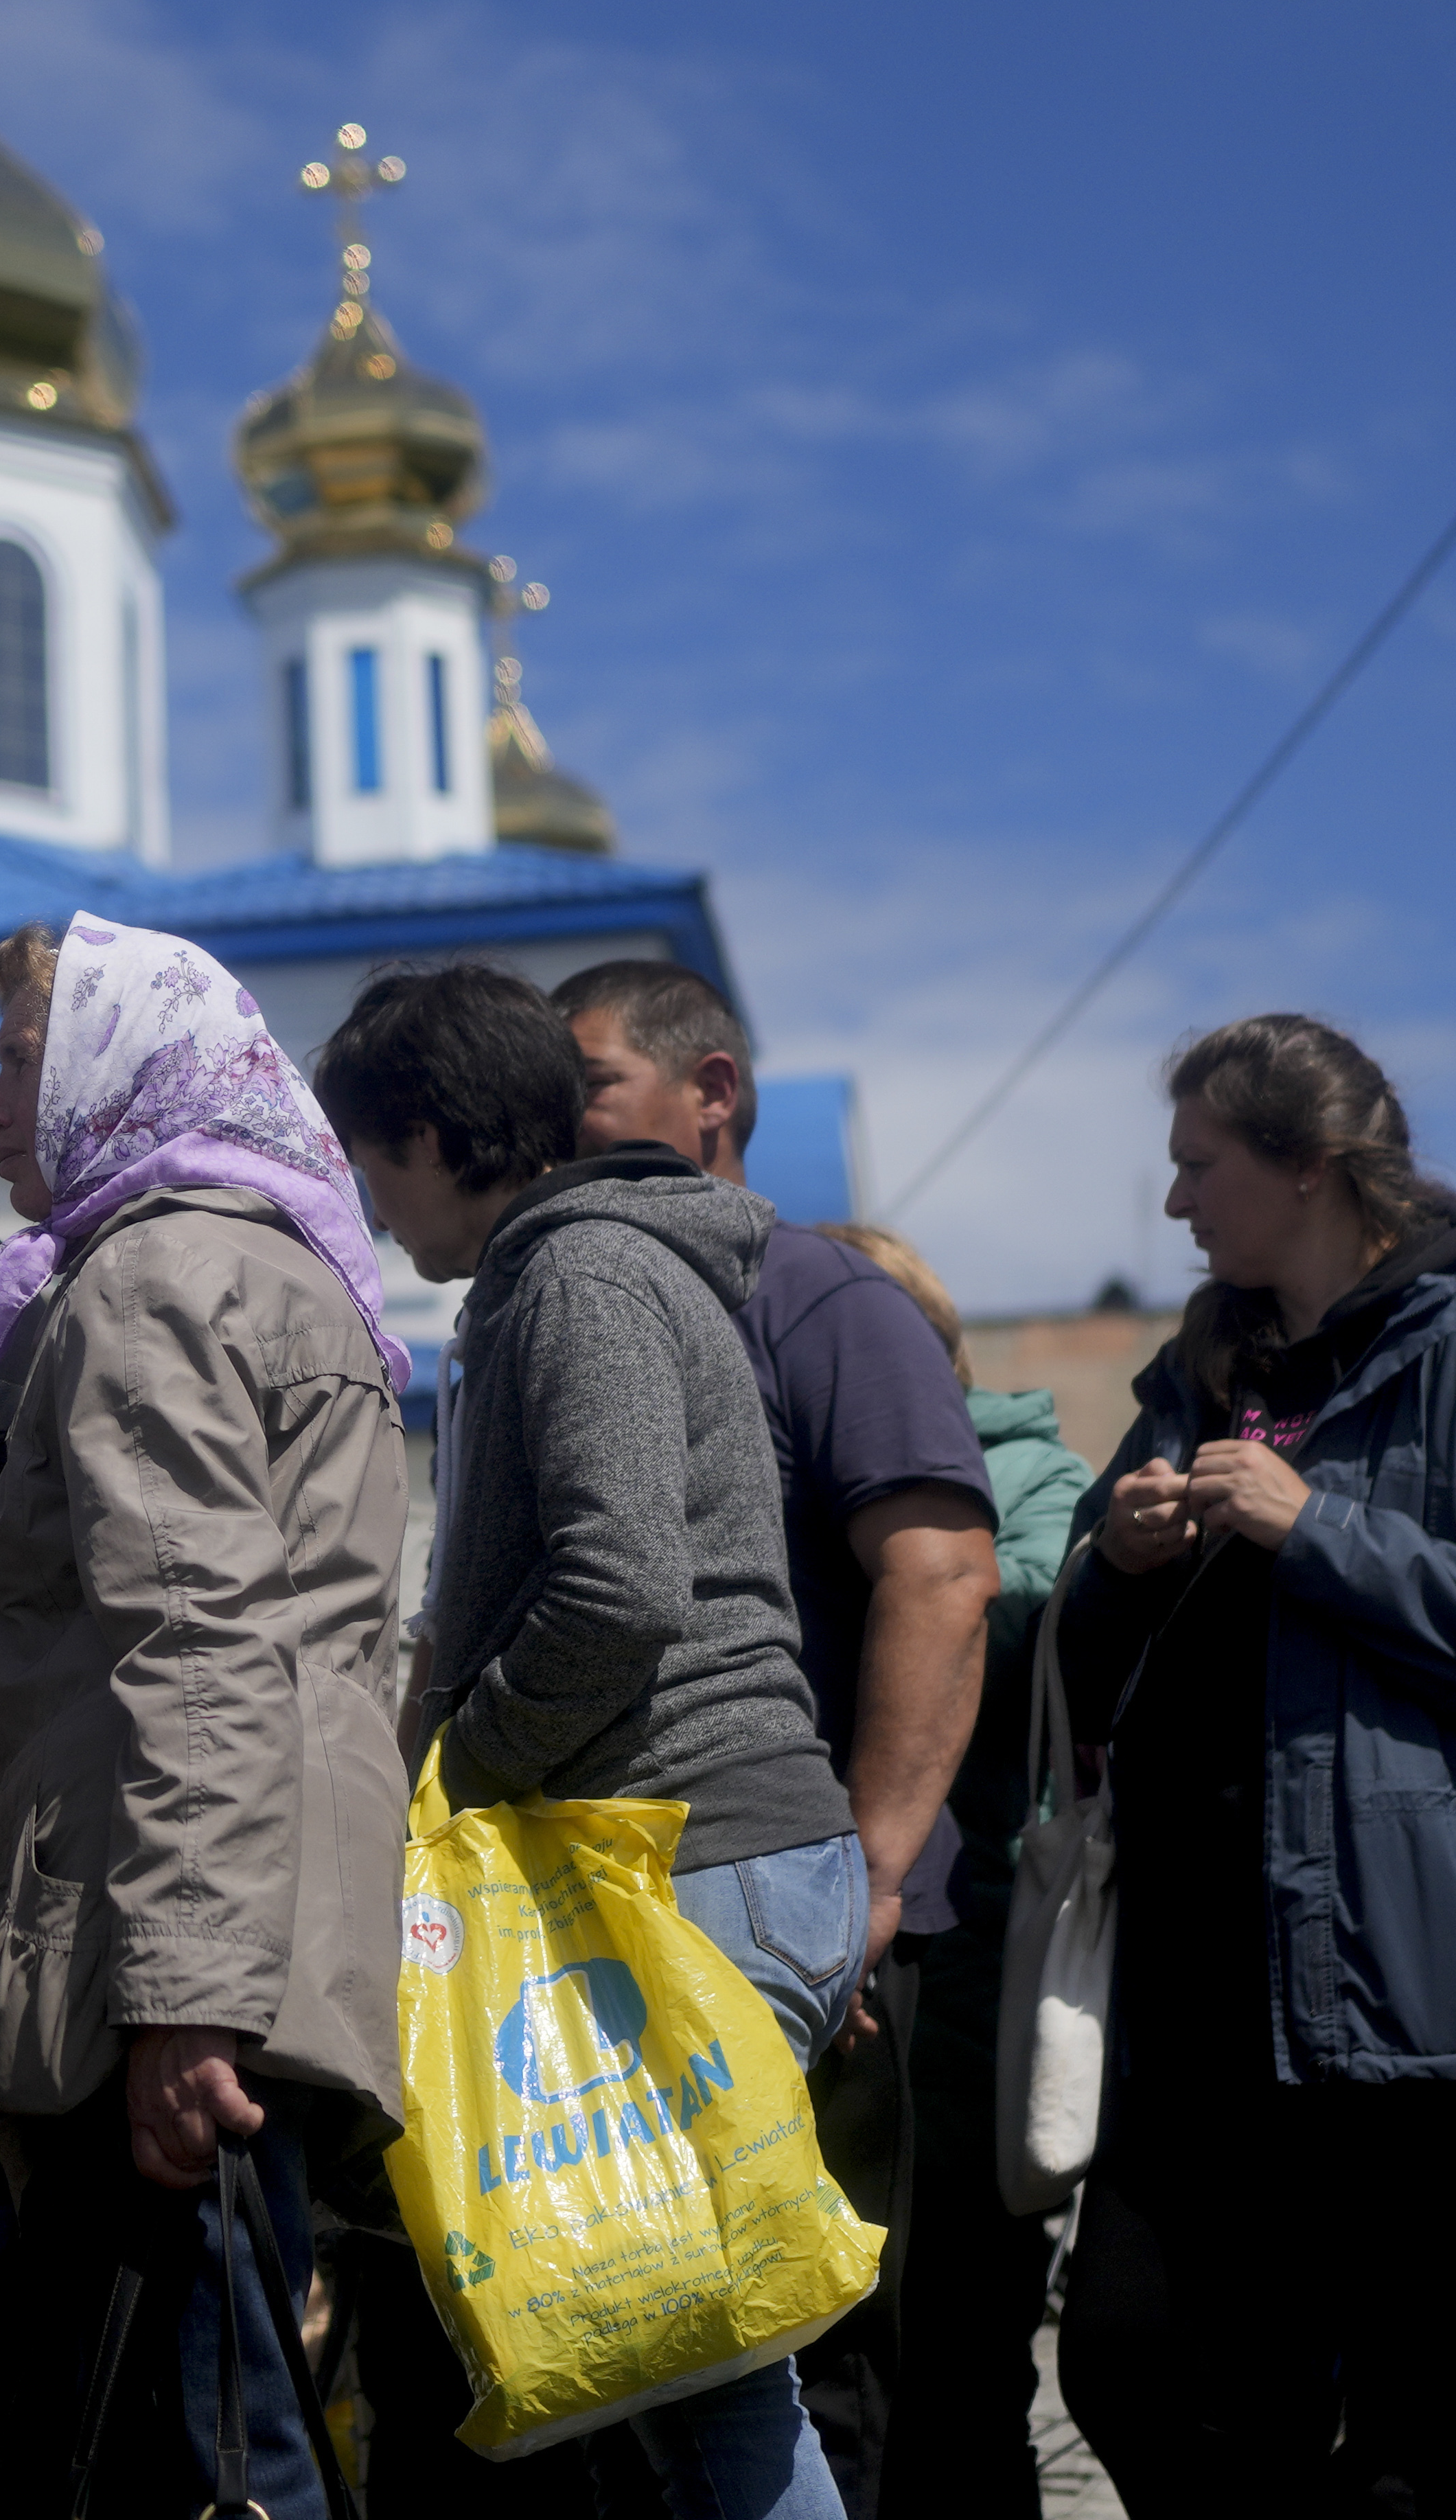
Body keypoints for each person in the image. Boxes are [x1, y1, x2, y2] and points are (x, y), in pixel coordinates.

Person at [1048, 1013, 1456, 2520]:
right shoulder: (1197, 1374)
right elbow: (1082, 1657)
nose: (1174, 1204)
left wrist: (1321, 1531)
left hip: (1416, 1985)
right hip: (1203, 1987)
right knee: (1132, 2360)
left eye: (1198, 1165)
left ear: (1305, 1167)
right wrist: (1111, 1564)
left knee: (1443, 2431)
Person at [318, 959, 858, 2520]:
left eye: (373, 1162)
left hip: (678, 1851)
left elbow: (619, 1585)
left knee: (695, 2376)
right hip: (688, 1851)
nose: (371, 1202)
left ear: (431, 1130)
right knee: (668, 2365)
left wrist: (460, 1770)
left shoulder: (579, 1275)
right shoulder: (588, 1266)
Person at [0, 915, 405, 2520]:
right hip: (277, 1945)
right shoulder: (296, 1267)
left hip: (170, 1978)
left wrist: (182, 2000)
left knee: (178, 2456)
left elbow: (195, 1635)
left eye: (19, 1064)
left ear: (109, 1067)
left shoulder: (147, 1277)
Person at [550, 966, 991, 2520]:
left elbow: (940, 1573)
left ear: (711, 1094)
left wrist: (860, 1886)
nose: (555, 1124)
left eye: (589, 1083)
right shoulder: (595, 1290)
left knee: (833, 2382)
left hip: (823, 1936)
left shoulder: (811, 1296)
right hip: (658, 1931)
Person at [807, 1219, 1086, 2520]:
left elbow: (998, 1599)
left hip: (977, 1927)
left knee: (966, 2351)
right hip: (877, 1933)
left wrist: (895, 1570)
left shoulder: (1029, 1468)